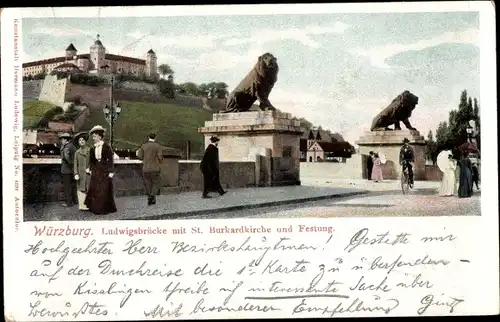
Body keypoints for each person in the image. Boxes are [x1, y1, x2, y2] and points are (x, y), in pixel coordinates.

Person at [84, 125, 117, 214]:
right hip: (96, 171)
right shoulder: (92, 148)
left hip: (105, 170)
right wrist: (90, 169)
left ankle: (103, 209)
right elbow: (92, 161)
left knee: (103, 190)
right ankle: (95, 208)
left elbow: (110, 159)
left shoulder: (106, 146)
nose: (93, 138)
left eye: (94, 136)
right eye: (93, 136)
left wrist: (111, 171)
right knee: (95, 189)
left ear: (99, 136)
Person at [137, 132, 163, 206]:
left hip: (145, 168)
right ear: (155, 138)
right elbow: (160, 157)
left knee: (148, 184)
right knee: (157, 183)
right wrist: (160, 162)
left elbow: (140, 156)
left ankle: (150, 199)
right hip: (155, 168)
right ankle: (152, 195)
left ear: (148, 137)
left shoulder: (143, 146)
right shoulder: (157, 146)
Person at [73, 132, 91, 210]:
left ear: (85, 141)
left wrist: (89, 168)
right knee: (80, 189)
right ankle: (81, 205)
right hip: (80, 174)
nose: (81, 142)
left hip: (88, 174)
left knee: (88, 188)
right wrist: (76, 173)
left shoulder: (90, 150)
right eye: (80, 140)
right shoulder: (77, 152)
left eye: (83, 140)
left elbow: (93, 162)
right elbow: (75, 164)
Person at [59, 132, 77, 207]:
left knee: (67, 187)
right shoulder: (72, 146)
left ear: (66, 140)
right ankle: (75, 201)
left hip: (66, 170)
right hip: (72, 170)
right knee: (73, 186)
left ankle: (69, 203)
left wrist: (69, 164)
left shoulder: (66, 147)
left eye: (62, 139)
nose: (61, 141)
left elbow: (66, 157)